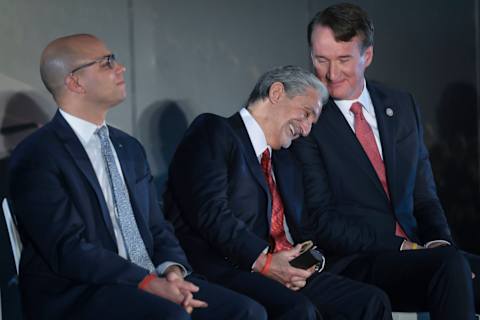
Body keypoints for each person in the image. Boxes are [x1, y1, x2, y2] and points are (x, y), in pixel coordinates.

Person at [7, 33, 267, 320]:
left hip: (148, 279)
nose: (121, 68)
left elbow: (158, 227)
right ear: (75, 82)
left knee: (247, 311)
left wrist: (172, 272)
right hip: (82, 290)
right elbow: (68, 249)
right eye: (107, 63)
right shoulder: (37, 154)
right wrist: (146, 283)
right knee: (171, 316)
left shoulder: (127, 147)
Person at [291, 3, 479, 319]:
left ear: (367, 56)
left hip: (421, 253)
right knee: (448, 267)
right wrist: (402, 247)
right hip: (356, 260)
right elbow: (321, 220)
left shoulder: (401, 106)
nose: (331, 73)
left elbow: (424, 197)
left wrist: (440, 243)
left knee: (452, 261)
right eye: (321, 60)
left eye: (343, 60)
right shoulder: (307, 120)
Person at [164, 65, 392, 320]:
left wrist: (308, 261)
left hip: (282, 270)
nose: (306, 130)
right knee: (297, 310)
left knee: (371, 302)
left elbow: (307, 226)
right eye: (306, 114)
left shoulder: (285, 162)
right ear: (276, 93)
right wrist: (266, 263)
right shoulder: (214, 131)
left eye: (311, 123)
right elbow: (210, 213)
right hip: (228, 267)